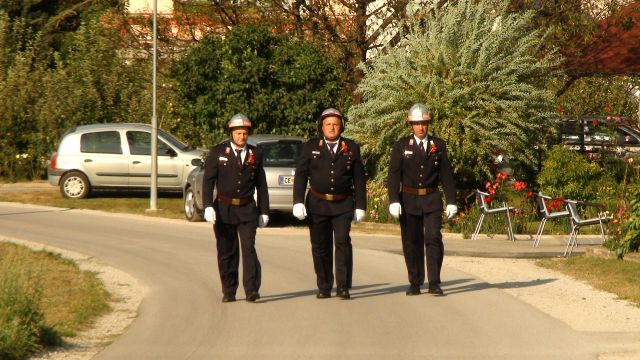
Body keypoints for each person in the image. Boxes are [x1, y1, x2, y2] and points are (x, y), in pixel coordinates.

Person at [293, 108, 366, 300]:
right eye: (328, 124)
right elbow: (301, 175)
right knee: (320, 246)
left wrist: (360, 205)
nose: (332, 128)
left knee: (342, 243)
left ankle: (343, 286)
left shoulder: (351, 147)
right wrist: (298, 201)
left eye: (335, 124)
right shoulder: (310, 147)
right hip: (317, 204)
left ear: (341, 126)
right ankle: (324, 285)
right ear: (322, 126)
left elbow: (359, 179)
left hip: (343, 204)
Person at [387, 103, 457, 296]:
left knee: (433, 238)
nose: (420, 127)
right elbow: (393, 174)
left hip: (431, 199)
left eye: (424, 123)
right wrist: (393, 200)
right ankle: (415, 282)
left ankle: (434, 282)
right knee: (412, 241)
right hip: (408, 199)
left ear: (428, 123)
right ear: (411, 125)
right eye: (417, 123)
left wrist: (451, 200)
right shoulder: (401, 145)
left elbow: (446, 175)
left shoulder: (438, 145)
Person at [202, 114, 269, 303]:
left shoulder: (256, 154)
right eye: (238, 133)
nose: (242, 137)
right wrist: (208, 206)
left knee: (249, 248)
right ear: (231, 133)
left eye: (245, 133)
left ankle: (252, 290)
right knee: (227, 251)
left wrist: (264, 211)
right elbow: (208, 181)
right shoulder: (217, 152)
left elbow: (261, 185)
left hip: (247, 208)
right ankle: (229, 290)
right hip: (224, 208)